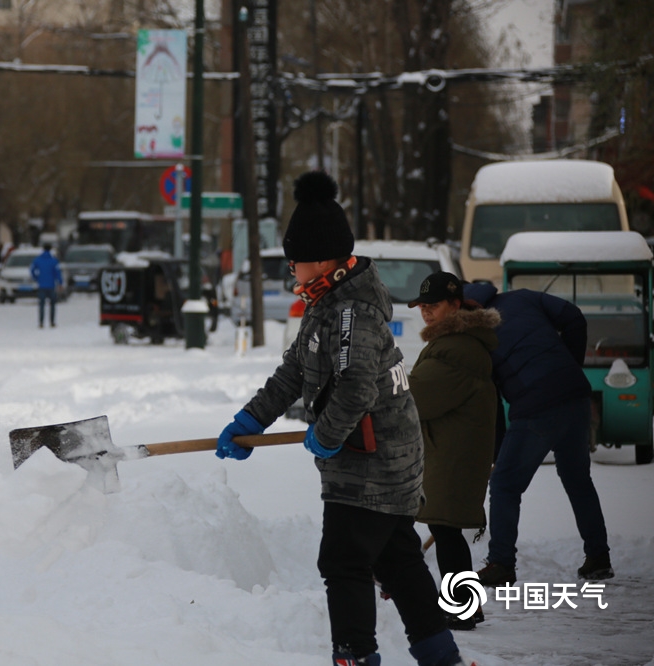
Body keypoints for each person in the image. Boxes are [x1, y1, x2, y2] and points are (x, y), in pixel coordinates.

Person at [216, 171, 475, 666]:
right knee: (396, 558)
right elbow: (295, 371)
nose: (291, 268)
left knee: (343, 561)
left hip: (372, 462)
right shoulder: (325, 303)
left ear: (322, 259)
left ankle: (355, 657)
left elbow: (357, 387)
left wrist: (328, 434)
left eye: (294, 259)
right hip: (378, 458)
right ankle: (441, 656)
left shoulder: (353, 310)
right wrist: (251, 420)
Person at [464, 281, 614, 585]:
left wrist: (499, 454)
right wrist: (570, 367)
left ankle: (501, 564)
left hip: (536, 407)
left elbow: (492, 399)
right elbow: (574, 317)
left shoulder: (474, 332)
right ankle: (598, 557)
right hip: (575, 397)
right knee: (578, 480)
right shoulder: (523, 297)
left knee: (504, 485)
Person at [406, 271, 501, 630]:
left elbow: (419, 397)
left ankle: (462, 608)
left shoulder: (457, 347)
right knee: (445, 528)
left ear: (455, 304)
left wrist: (385, 393)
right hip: (450, 447)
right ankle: (463, 606)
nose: (426, 312)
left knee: (445, 529)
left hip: (454, 452)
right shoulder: (454, 342)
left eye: (433, 305)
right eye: (422, 306)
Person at [30, 243, 63, 328]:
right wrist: (60, 283)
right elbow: (58, 272)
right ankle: (52, 322)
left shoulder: (38, 260)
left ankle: (41, 322)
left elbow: (32, 270)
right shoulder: (54, 260)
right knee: (52, 304)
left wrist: (36, 278)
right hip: (51, 285)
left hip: (41, 285)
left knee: (41, 305)